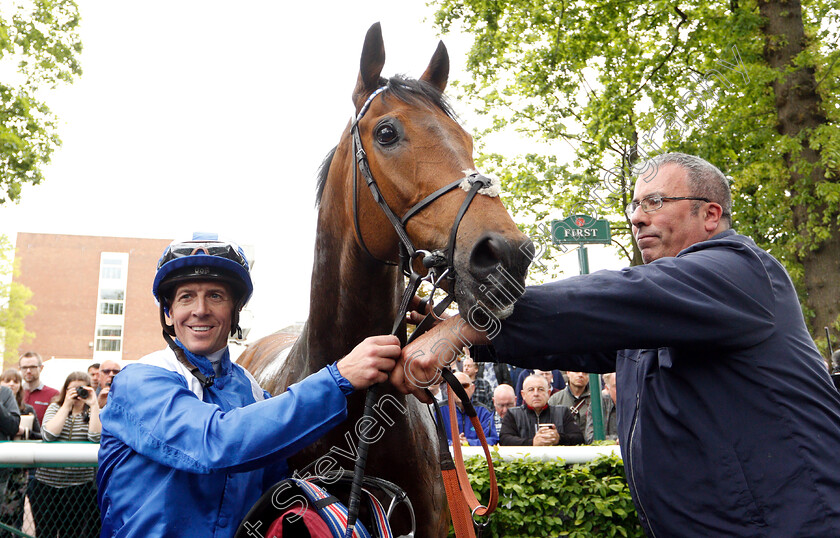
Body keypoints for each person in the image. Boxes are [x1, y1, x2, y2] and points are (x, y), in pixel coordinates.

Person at [392, 152, 840, 535]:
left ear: (710, 215)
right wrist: (453, 322)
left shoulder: (740, 271)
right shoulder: (657, 315)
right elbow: (577, 334)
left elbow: (612, 298)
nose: (636, 216)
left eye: (656, 202)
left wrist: (468, 327)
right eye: (634, 204)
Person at [97, 235, 400, 537]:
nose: (200, 309)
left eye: (215, 296)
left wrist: (391, 364)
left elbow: (280, 479)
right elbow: (216, 442)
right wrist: (339, 378)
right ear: (168, 312)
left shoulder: (251, 389)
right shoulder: (140, 379)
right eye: (186, 296)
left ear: (235, 310)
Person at [30, 371, 100, 538]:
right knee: (45, 533)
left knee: (72, 534)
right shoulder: (55, 407)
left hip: (78, 485)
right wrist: (67, 405)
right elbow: (48, 435)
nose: (77, 393)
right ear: (65, 390)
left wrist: (94, 405)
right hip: (46, 483)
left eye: (82, 388)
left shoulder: (92, 412)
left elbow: (96, 437)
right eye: (73, 389)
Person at [0, 369, 39, 536]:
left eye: (15, 381)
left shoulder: (4, 394)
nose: (11, 384)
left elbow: (12, 426)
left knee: (7, 521)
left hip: (7, 469)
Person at [499, 374, 582, 446]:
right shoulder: (513, 414)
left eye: (541, 389)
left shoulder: (563, 412)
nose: (536, 394)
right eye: (531, 390)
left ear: (549, 393)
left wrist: (558, 438)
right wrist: (532, 443)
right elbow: (504, 440)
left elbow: (578, 438)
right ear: (523, 395)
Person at [437, 372, 498, 446]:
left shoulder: (484, 412)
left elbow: (492, 440)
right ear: (448, 390)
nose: (461, 390)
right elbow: (433, 439)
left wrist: (468, 443)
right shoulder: (438, 411)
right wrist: (452, 444)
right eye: (455, 386)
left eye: (465, 386)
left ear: (473, 388)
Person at [19, 352, 58, 424]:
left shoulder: (54, 394)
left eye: (32, 367)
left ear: (41, 368)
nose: (28, 371)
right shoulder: (14, 393)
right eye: (24, 367)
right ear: (20, 369)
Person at [585, 372, 617, 443]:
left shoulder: (637, 403)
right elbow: (590, 437)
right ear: (607, 388)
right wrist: (615, 440)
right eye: (616, 386)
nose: (622, 389)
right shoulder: (599, 403)